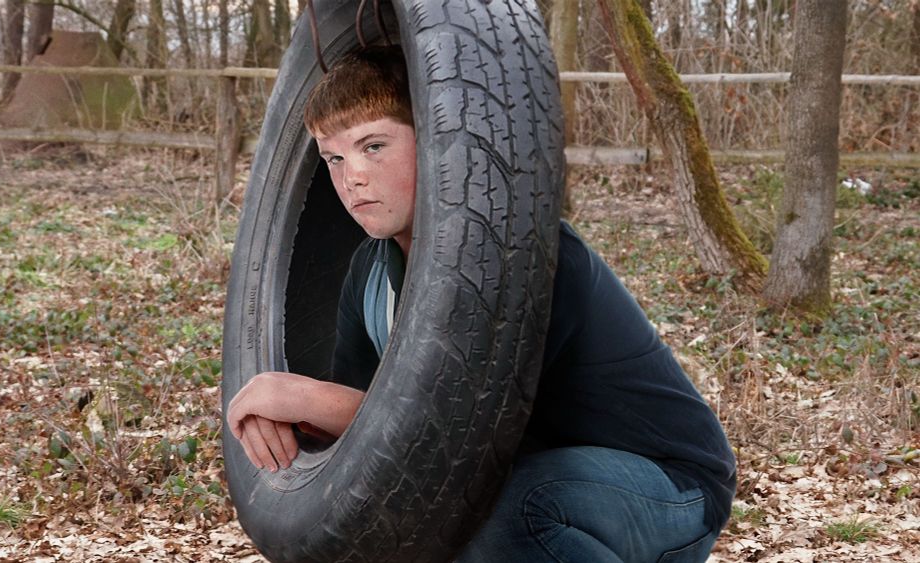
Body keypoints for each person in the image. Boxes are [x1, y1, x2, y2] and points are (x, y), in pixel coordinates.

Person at [226, 46, 736, 562]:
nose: (351, 176)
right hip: (526, 468)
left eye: (374, 145)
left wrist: (302, 396)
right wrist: (286, 416)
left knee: (512, 510)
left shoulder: (526, 253)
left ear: (436, 143)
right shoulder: (370, 272)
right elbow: (368, 436)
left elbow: (458, 433)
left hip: (664, 484)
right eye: (334, 157)